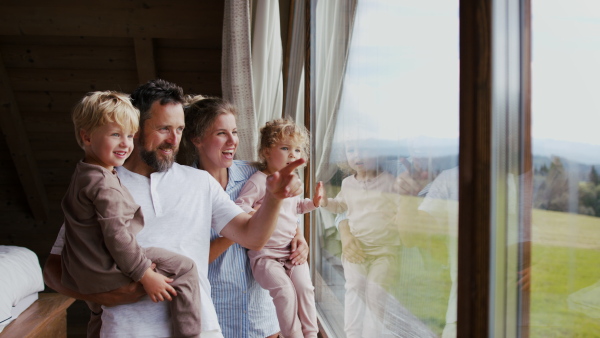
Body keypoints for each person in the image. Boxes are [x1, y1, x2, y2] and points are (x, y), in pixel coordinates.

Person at [43, 79, 305, 338]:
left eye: (179, 129)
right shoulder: (104, 184)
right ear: (135, 128)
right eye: (163, 128)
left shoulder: (199, 182)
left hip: (200, 329)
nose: (173, 140)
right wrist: (102, 295)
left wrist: (273, 198)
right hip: (126, 331)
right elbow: (53, 269)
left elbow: (254, 237)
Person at [60, 91, 201, 337]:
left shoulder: (84, 172)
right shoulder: (103, 184)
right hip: (103, 267)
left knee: (98, 312)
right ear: (86, 136)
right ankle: (189, 333)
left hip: (81, 269)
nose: (126, 144)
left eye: (129, 135)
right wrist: (145, 274)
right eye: (115, 135)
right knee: (186, 267)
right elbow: (117, 235)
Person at [179, 96, 309, 338]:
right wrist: (241, 229)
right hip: (217, 316)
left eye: (235, 132)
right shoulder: (184, 188)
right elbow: (190, 262)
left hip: (261, 314)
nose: (232, 141)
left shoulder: (256, 174)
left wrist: (299, 237)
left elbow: (288, 209)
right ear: (196, 139)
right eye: (221, 133)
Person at [233, 119, 322, 338]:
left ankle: (311, 334)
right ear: (266, 152)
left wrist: (314, 203)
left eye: (297, 149)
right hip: (265, 257)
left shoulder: (293, 180)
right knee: (285, 293)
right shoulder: (258, 181)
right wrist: (258, 212)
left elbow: (296, 207)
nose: (293, 154)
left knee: (305, 289)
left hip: (290, 253)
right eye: (285, 148)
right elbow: (239, 208)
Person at [321, 140, 404, 337]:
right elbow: (340, 206)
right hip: (357, 251)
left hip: (384, 252)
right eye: (351, 150)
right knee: (355, 289)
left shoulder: (389, 181)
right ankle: (352, 334)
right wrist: (325, 202)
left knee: (375, 294)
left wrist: (399, 215)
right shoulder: (347, 183)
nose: (357, 155)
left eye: (365, 149)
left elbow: (402, 205)